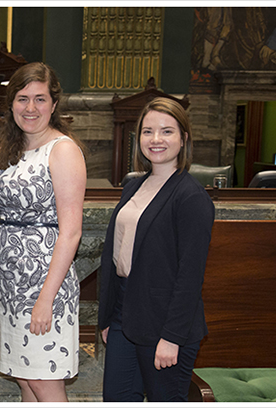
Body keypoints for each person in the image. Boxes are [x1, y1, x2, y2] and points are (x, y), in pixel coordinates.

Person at [0, 62, 86, 402]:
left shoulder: (63, 150)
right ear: (11, 104)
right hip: (7, 286)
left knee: (44, 381)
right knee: (24, 379)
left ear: (54, 103)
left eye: (40, 99)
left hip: (43, 287)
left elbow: (71, 232)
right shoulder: (4, 153)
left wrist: (45, 299)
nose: (31, 108)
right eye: (23, 99)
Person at [98, 97, 215, 402]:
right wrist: (109, 317)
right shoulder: (134, 186)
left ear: (183, 138)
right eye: (148, 131)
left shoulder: (191, 197)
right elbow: (118, 254)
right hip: (125, 316)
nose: (156, 139)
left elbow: (190, 276)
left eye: (166, 131)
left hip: (166, 325)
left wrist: (172, 338)